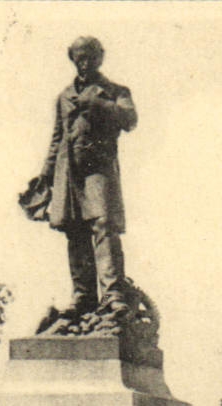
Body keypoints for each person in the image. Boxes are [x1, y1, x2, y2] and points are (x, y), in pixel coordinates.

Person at [34, 36, 137, 324]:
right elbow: (57, 138)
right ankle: (83, 296)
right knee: (75, 231)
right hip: (69, 171)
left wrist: (100, 103)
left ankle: (113, 294)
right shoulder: (64, 96)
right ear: (73, 59)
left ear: (100, 58)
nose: (85, 62)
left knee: (103, 224)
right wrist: (45, 175)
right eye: (79, 57)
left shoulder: (114, 91)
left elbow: (130, 119)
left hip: (98, 167)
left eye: (90, 56)